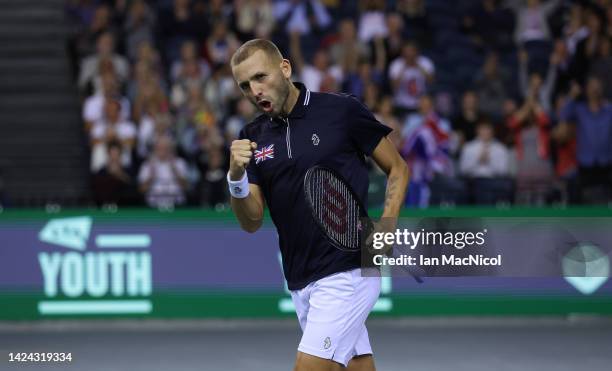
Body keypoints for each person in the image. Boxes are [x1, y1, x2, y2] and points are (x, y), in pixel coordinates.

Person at [228, 39, 409, 371]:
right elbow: (251, 220)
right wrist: (236, 177)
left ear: (285, 68)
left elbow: (397, 167)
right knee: (358, 364)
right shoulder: (252, 135)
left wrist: (387, 224)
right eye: (245, 85)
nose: (254, 90)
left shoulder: (341, 111)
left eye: (260, 77)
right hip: (300, 277)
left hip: (349, 268)